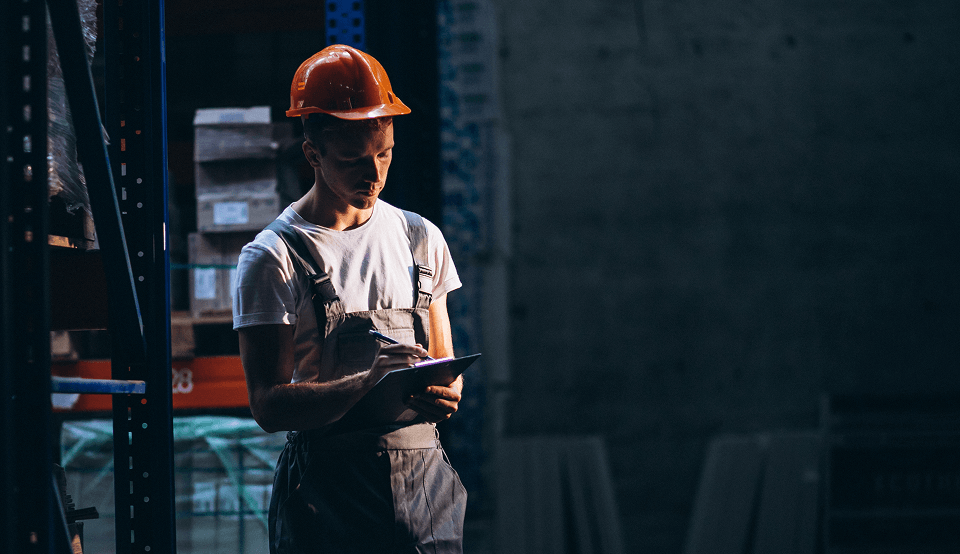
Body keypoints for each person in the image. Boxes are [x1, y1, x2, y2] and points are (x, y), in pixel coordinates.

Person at [232, 44, 467, 554]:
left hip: (426, 486)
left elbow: (445, 364)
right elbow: (268, 405)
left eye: (384, 153)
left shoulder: (420, 239)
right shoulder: (274, 257)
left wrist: (449, 389)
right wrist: (367, 385)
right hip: (327, 495)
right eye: (353, 159)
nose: (375, 175)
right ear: (312, 152)